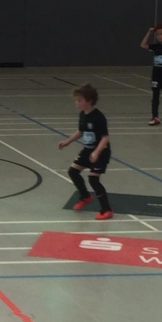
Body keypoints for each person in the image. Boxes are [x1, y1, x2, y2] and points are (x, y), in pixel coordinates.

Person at [59, 83, 113, 220]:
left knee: (93, 179)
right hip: (87, 150)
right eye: (76, 100)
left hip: (101, 152)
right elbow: (81, 131)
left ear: (89, 101)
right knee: (73, 171)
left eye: (80, 100)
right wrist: (68, 141)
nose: (77, 103)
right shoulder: (83, 115)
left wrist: (96, 153)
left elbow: (105, 138)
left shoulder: (98, 117)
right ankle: (85, 196)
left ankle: (106, 210)